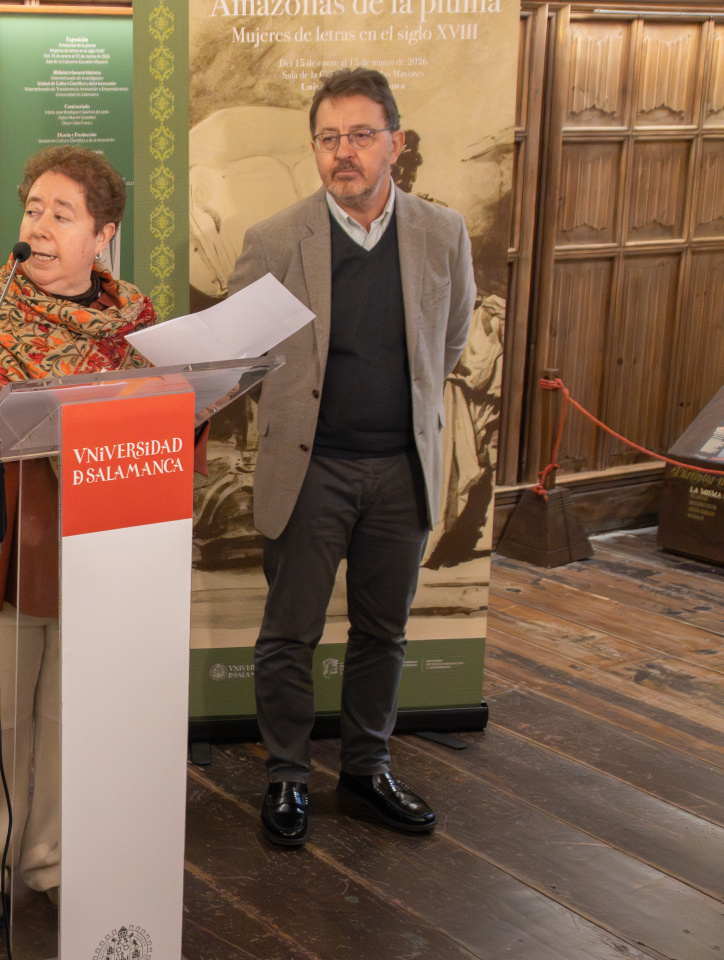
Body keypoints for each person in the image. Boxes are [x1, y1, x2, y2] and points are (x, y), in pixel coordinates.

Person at [226, 68, 475, 846]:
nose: (345, 151)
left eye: (361, 135)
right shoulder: (275, 240)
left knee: (382, 632)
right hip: (311, 471)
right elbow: (240, 353)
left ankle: (367, 770)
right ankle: (287, 777)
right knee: (288, 634)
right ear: (315, 148)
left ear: (394, 144)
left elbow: (450, 340)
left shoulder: (442, 233)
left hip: (401, 470)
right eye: (329, 137)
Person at [0, 146, 156, 925]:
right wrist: (79, 407)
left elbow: (163, 417)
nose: (42, 227)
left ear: (104, 234)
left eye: (64, 214)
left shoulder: (136, 319)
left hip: (98, 544)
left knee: (68, 719)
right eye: (34, 211)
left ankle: (52, 859)